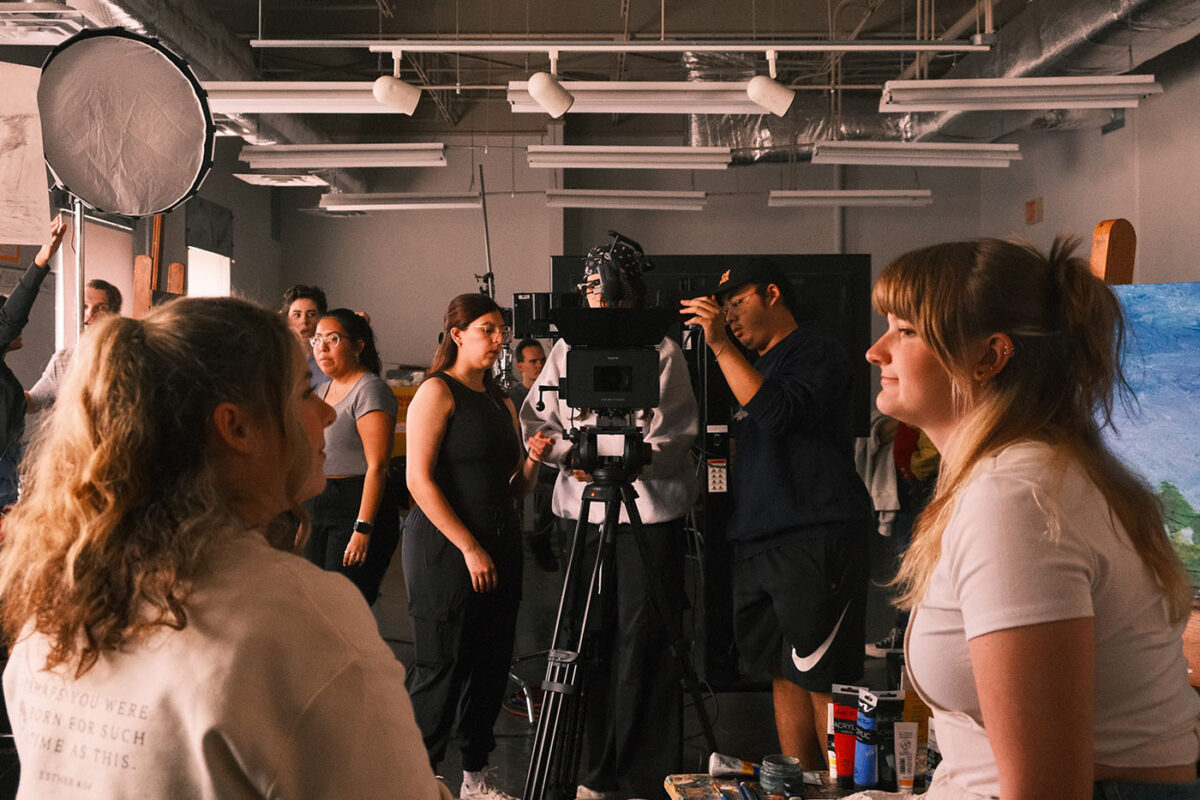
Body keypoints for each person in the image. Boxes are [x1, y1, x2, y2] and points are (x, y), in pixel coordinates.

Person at [0, 296, 451, 799]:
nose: (326, 414)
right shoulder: (298, 617)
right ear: (236, 427)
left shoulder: (52, 604)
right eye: (303, 393)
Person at [866, 237, 1200, 800]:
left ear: (990, 356)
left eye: (906, 330)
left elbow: (1047, 790)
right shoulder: (1024, 473)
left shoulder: (1016, 498)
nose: (877, 351)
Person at [522, 232, 699, 800]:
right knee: (584, 637)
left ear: (628, 290)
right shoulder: (563, 353)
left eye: (605, 287)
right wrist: (568, 455)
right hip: (584, 515)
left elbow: (670, 440)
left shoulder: (664, 354)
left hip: (647, 518)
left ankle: (645, 776)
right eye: (590, 288)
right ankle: (589, 773)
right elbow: (538, 424)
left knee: (643, 642)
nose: (597, 297)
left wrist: (597, 455)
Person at [681, 259, 872, 771]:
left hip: (815, 534)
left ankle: (844, 786)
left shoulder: (815, 351)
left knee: (823, 675)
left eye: (737, 303)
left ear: (772, 294)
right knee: (783, 670)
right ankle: (801, 781)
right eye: (722, 309)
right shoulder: (755, 367)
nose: (728, 317)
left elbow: (781, 413)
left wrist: (720, 345)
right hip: (760, 539)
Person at [405, 293, 550, 800]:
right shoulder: (436, 393)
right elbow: (419, 482)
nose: (498, 338)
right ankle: (416, 780)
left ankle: (474, 778)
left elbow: (516, 488)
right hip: (447, 547)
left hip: (500, 542)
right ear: (457, 333)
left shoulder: (502, 398)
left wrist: (532, 458)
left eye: (501, 330)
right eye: (487, 329)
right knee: (443, 667)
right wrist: (469, 547)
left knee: (490, 666)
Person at [306, 308, 400, 605]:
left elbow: (378, 465)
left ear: (358, 346)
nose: (321, 347)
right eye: (317, 339)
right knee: (313, 602)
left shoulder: (370, 390)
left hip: (355, 505)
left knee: (342, 605)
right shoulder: (321, 390)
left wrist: (362, 528)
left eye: (332, 339)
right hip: (318, 501)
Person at [0, 215, 66, 506]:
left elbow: (19, 404)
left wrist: (58, 380)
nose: (19, 327)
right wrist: (41, 260)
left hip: (8, 472)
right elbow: (12, 318)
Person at [25, 275, 120, 413]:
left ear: (114, 315)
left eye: (101, 308)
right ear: (76, 313)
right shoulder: (63, 361)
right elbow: (33, 402)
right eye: (84, 306)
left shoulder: (128, 358)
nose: (90, 313)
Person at [508, 337, 558, 572]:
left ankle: (541, 539)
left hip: (548, 461)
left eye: (542, 360)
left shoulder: (552, 397)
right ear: (520, 366)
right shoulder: (512, 398)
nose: (539, 365)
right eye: (533, 361)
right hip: (521, 462)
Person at [281, 283, 328, 389]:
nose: (304, 321)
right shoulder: (279, 361)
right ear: (287, 320)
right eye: (297, 315)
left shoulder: (330, 360)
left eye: (311, 314)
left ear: (321, 318)